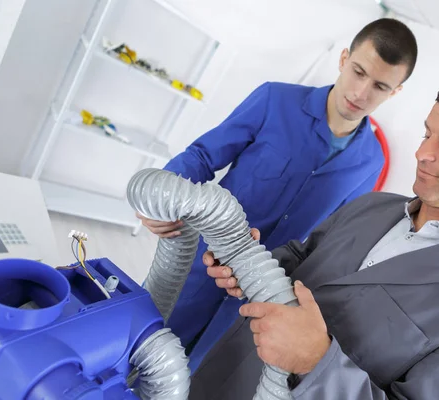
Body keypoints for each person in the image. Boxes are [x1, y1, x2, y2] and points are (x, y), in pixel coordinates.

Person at [195, 79, 439, 399]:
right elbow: (300, 259)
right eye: (427, 134)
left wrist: (315, 363)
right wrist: (248, 267)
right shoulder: (372, 206)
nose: (423, 153)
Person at [137, 18, 419, 369]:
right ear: (344, 58)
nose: (361, 93)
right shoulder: (274, 100)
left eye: (379, 86)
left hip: (260, 295)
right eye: (359, 72)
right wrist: (161, 196)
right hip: (200, 265)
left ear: (395, 92)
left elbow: (330, 242)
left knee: (199, 377)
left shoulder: (370, 162)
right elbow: (203, 156)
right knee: (140, 351)